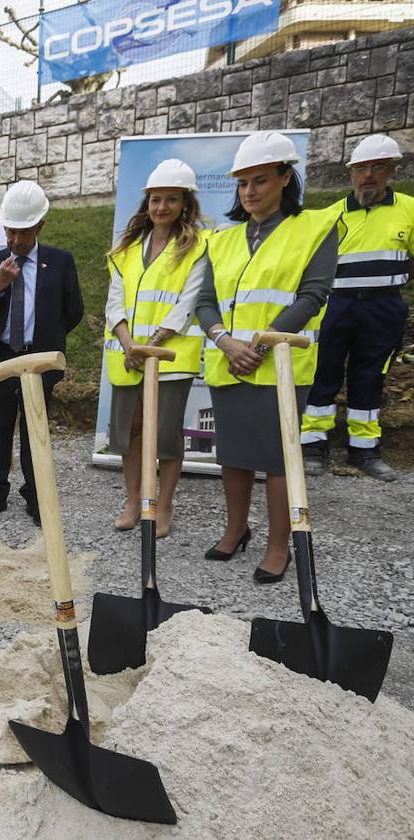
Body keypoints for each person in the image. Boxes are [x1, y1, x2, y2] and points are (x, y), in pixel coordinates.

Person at [197, 132, 338, 583]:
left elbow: (313, 295)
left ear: (285, 177)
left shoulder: (314, 228)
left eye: (260, 180)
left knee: (279, 460)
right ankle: (236, 530)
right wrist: (223, 341)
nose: (250, 191)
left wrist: (260, 345)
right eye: (242, 183)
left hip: (279, 366)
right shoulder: (221, 239)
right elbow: (204, 302)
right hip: (229, 362)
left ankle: (280, 547)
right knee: (234, 455)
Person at [103, 159, 209, 537]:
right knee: (131, 430)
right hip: (129, 355)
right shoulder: (128, 249)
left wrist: (152, 343)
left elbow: (190, 300)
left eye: (171, 199)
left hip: (170, 355)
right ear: (146, 203)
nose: (162, 207)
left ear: (185, 203)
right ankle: (134, 500)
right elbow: (114, 301)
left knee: (165, 435)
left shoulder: (197, 245)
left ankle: (163, 505)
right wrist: (129, 342)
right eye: (155, 199)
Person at [0, 181, 84, 526]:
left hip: (38, 361)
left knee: (36, 430)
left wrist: (45, 339)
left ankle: (36, 495)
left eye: (22, 232)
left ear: (39, 226)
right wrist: (0, 286)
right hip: (1, 359)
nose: (15, 240)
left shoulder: (60, 262)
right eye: (9, 231)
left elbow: (73, 311)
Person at [301, 134, 413, 482]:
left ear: (392, 170)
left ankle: (364, 449)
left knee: (371, 377)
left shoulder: (409, 209)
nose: (368, 175)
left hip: (383, 308)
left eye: (377, 168)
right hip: (335, 306)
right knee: (323, 373)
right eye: (361, 168)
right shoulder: (328, 216)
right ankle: (313, 445)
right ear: (350, 174)